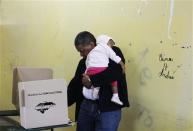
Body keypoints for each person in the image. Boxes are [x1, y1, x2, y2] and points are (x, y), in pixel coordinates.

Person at [67, 31, 129, 131]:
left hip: (109, 108)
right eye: (79, 51)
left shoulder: (111, 50)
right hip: (87, 106)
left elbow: (116, 72)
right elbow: (76, 85)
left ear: (91, 44)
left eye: (82, 51)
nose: (81, 54)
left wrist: (92, 80)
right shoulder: (84, 61)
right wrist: (59, 103)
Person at [84, 34, 125, 105]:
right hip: (94, 104)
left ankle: (96, 93)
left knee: (107, 80)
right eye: (110, 44)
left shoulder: (93, 51)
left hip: (109, 107)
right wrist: (121, 63)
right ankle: (115, 96)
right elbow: (114, 58)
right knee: (113, 81)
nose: (111, 46)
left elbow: (87, 61)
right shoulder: (106, 49)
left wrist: (89, 77)